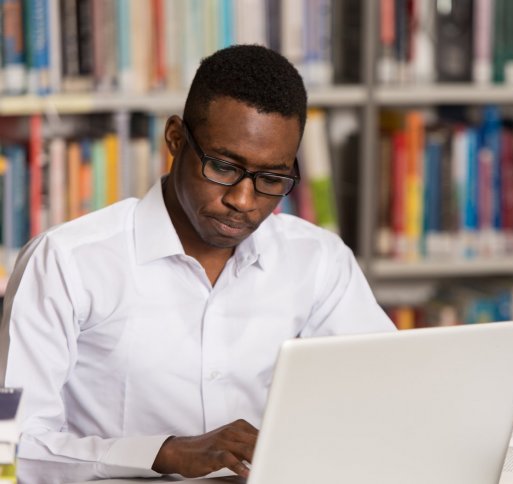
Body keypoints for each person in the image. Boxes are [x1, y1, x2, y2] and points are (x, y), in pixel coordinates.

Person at [0, 45, 395, 483]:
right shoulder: (66, 262)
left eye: (271, 179)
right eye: (223, 167)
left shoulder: (318, 261)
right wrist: (160, 454)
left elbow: (385, 401)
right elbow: (11, 447)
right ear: (175, 139)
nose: (242, 201)